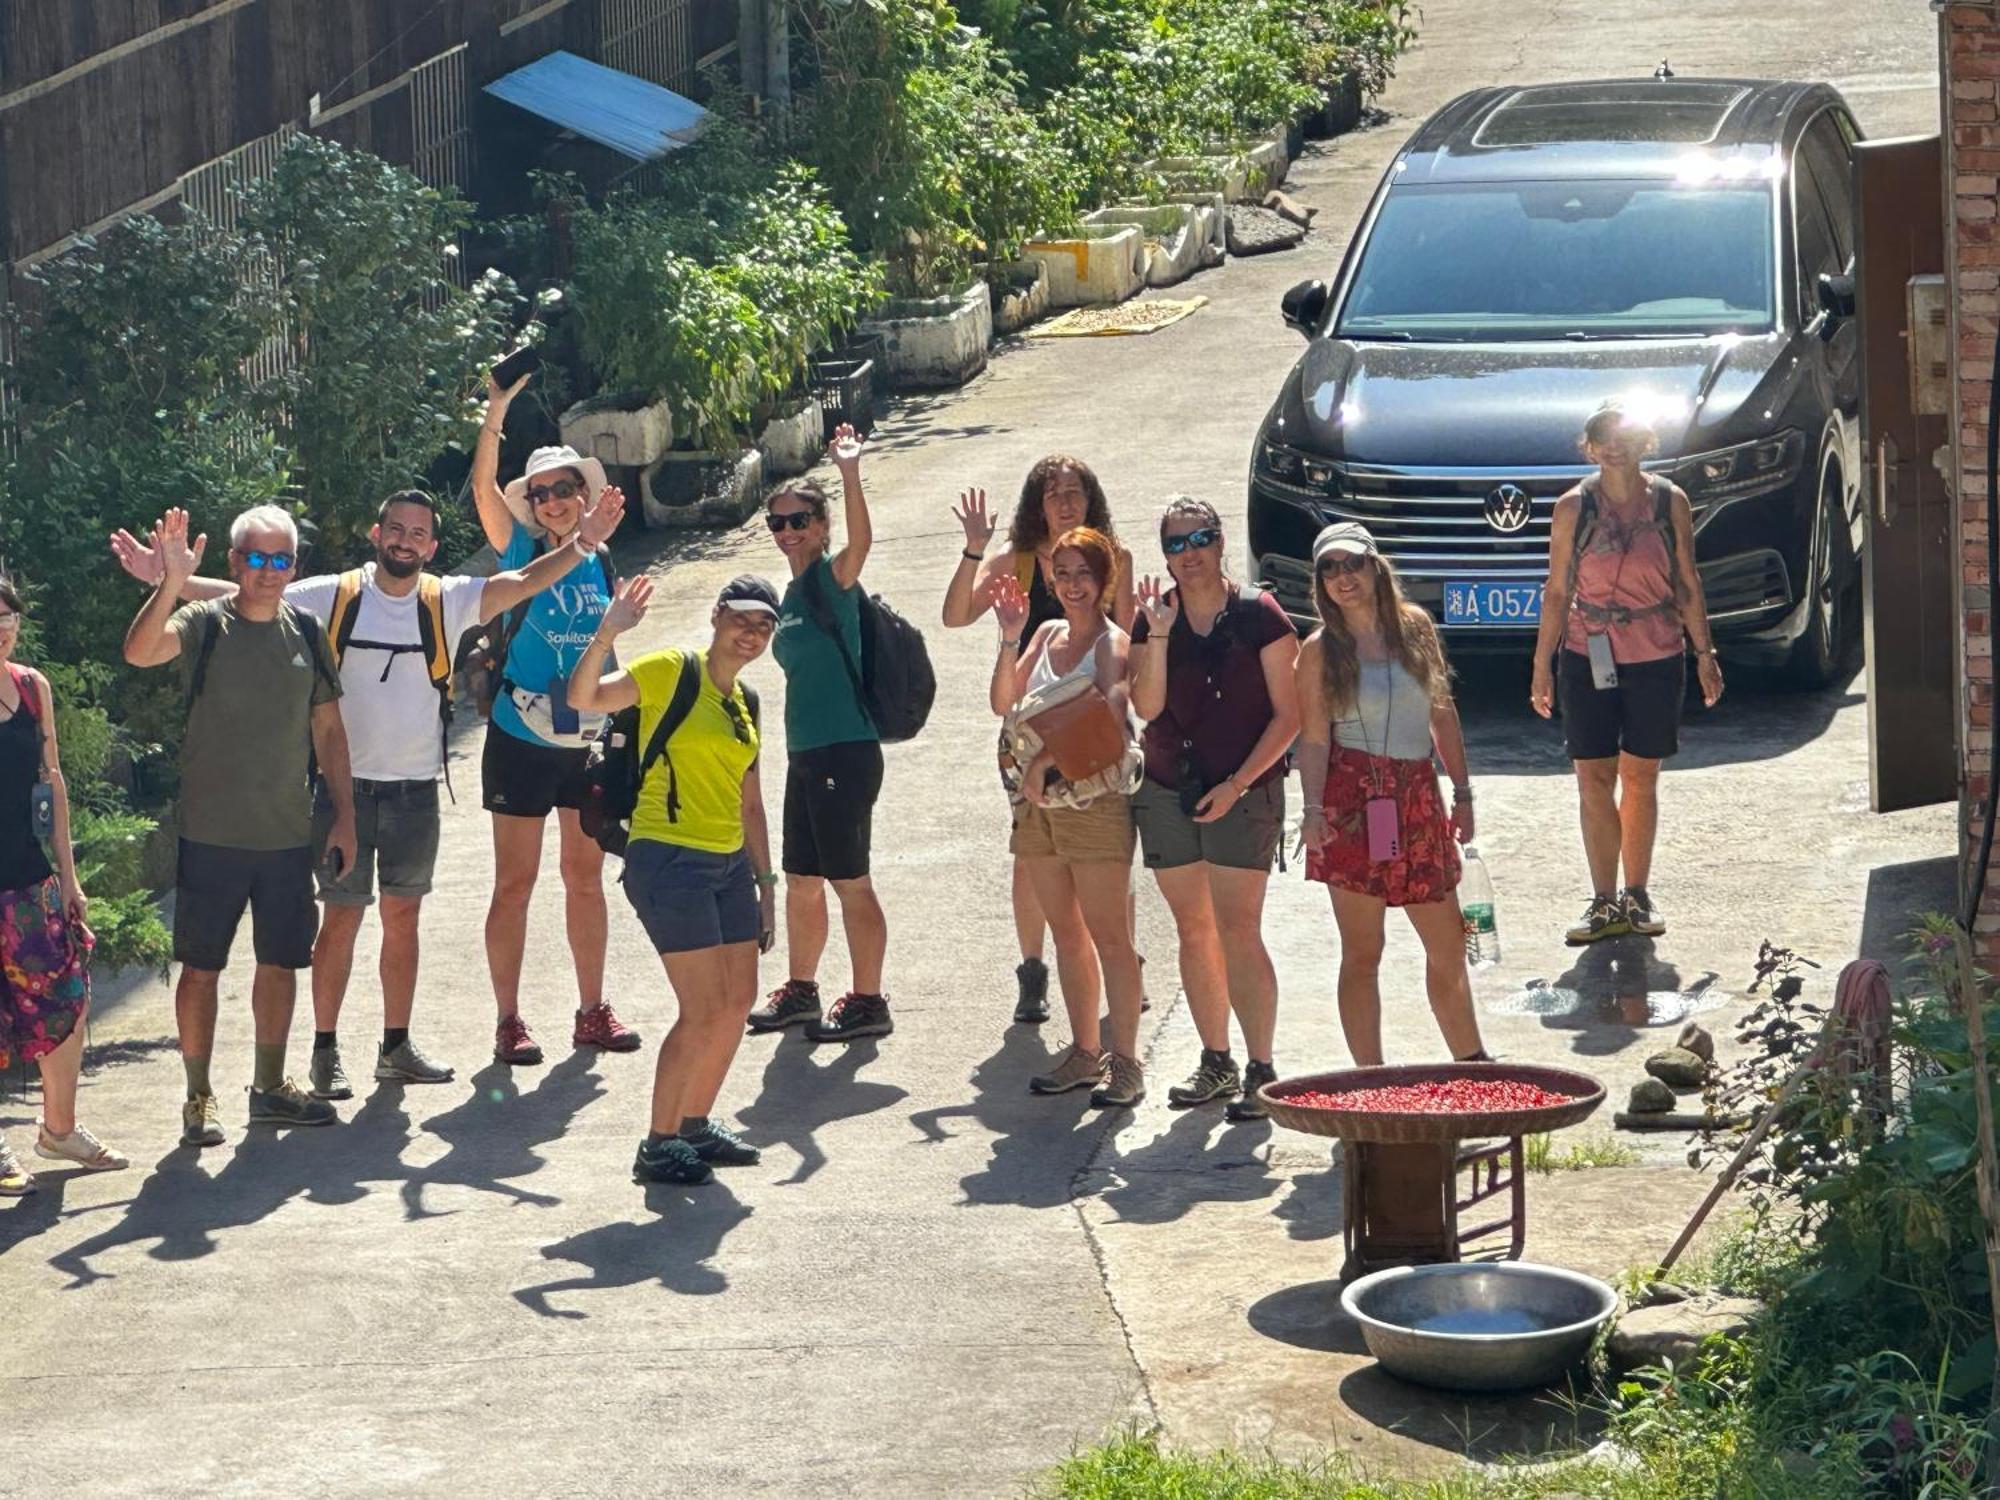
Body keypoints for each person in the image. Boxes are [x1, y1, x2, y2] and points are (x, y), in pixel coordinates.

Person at [111, 486, 625, 1097]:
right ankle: (325, 1050)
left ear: (432, 546)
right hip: (342, 792)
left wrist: (585, 542)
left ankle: (395, 1046)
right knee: (343, 918)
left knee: (403, 918)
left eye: (418, 533)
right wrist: (169, 581)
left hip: (415, 790)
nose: (405, 540)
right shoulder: (337, 593)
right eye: (396, 529)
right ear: (376, 535)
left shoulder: (447, 598)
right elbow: (249, 593)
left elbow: (522, 582)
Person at [122, 506, 356, 1145]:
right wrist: (170, 581)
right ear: (233, 563)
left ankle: (270, 1087)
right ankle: (198, 1098)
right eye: (256, 558)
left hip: (286, 837)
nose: (269, 572)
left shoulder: (307, 632)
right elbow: (140, 652)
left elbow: (329, 730)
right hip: (211, 837)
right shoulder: (204, 623)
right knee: (202, 969)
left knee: (280, 964)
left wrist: (344, 819)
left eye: (282, 560)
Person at [569, 575, 780, 1186]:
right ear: (716, 615)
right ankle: (658, 1145)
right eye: (743, 618)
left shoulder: (747, 704)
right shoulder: (670, 671)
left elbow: (752, 803)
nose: (752, 633)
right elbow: (585, 697)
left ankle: (694, 1125)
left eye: (764, 626)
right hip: (669, 859)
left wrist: (768, 885)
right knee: (703, 1006)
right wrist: (610, 630)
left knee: (737, 1002)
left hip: (732, 863)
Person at [474, 371, 636, 1065]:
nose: (551, 502)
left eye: (563, 489)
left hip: (585, 739)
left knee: (584, 875)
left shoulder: (601, 559)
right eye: (540, 494)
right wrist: (496, 411)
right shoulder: (520, 550)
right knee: (515, 882)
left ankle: (591, 1009)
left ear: (584, 495)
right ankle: (509, 1019)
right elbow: (484, 488)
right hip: (519, 736)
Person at [942, 456, 1137, 1024]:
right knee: (1031, 859)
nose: (1064, 502)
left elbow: (1126, 645)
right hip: (1025, 735)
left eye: (1074, 491)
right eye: (1052, 493)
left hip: (1093, 730)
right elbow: (955, 616)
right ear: (1037, 504)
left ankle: (1121, 965)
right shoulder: (1019, 561)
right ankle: (1034, 971)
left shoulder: (1112, 559)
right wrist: (975, 548)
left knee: (1104, 855)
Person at [1129, 497, 1299, 1121]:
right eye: (1176, 543)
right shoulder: (1156, 618)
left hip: (1244, 790)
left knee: (1239, 928)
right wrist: (1161, 634)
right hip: (1169, 784)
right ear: (1165, 554)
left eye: (1199, 538)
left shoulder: (1260, 614)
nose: (1189, 553)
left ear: (1221, 541)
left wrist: (1238, 784)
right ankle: (1216, 1059)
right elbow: (1145, 709)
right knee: (1193, 929)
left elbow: (1291, 715)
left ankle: (1262, 1067)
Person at [1530, 402, 1724, 945]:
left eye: (1625, 436)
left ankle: (1636, 895)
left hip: (1656, 651)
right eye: (1601, 437)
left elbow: (1687, 580)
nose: (1613, 446)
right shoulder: (1573, 507)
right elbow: (1557, 590)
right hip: (1586, 650)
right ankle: (1603, 900)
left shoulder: (1669, 502)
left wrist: (1704, 653)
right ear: (1589, 447)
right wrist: (1541, 665)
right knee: (1593, 776)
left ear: (1646, 444)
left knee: (1641, 776)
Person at [1296, 522, 1487, 1068]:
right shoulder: (1317, 650)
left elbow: (1441, 712)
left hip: (1417, 794)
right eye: (1328, 568)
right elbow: (1312, 737)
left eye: (1351, 563)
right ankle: (1369, 1079)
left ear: (1375, 566)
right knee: (1363, 953)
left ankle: (1472, 1063)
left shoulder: (1415, 628)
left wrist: (1464, 792)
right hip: (1352, 800)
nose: (1342, 577)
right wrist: (1311, 809)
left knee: (1447, 944)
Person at [744, 426, 894, 1044]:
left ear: (822, 524)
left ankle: (868, 1000)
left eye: (800, 520)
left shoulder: (833, 579)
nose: (788, 532)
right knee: (803, 878)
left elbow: (862, 541)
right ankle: (801, 990)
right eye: (778, 524)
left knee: (849, 880)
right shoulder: (789, 597)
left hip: (845, 750)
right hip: (806, 754)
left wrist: (850, 474)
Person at [989, 526, 1146, 1108]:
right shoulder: (1048, 632)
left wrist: (1047, 764)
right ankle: (1084, 1051)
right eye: (1064, 574)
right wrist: (1009, 638)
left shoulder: (1112, 642)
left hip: (1093, 803)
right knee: (1066, 932)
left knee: (1112, 936)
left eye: (1085, 574)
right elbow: (1002, 701)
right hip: (1038, 807)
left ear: (1104, 582)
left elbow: (1112, 714)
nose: (1073, 585)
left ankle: (1126, 1062)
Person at [0, 579, 127, 1194]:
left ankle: (59, 1130)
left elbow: (51, 785)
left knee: (68, 996)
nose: (2, 627)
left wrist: (68, 876)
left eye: (8, 617)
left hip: (29, 881)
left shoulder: (30, 687)